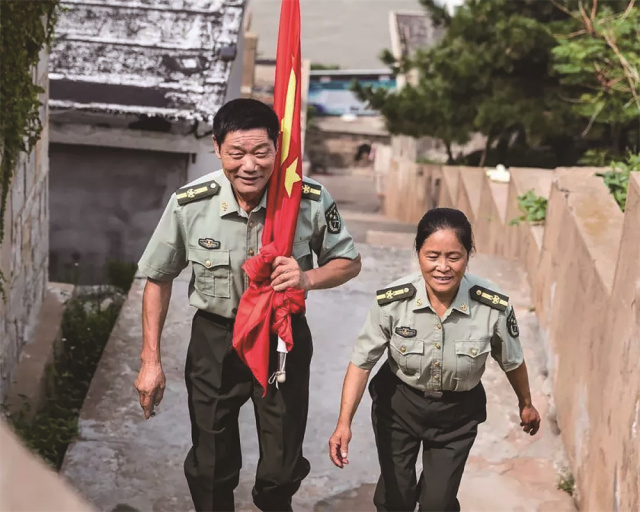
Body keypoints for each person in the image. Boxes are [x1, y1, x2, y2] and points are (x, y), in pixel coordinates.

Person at [134, 98, 362, 512]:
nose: (250, 165)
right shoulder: (191, 203)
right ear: (217, 148)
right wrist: (150, 360)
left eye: (261, 152)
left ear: (278, 148)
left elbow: (349, 262)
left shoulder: (305, 199)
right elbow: (158, 278)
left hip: (281, 337)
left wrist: (307, 277)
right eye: (236, 153)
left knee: (280, 468)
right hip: (216, 338)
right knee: (210, 464)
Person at [328, 208, 540, 512]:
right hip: (399, 406)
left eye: (454, 257)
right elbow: (362, 363)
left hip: (457, 415)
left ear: (468, 255)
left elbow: (512, 360)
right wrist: (343, 424)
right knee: (395, 499)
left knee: (437, 504)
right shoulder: (393, 302)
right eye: (432, 256)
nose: (443, 267)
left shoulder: (492, 306)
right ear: (418, 254)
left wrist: (526, 403)